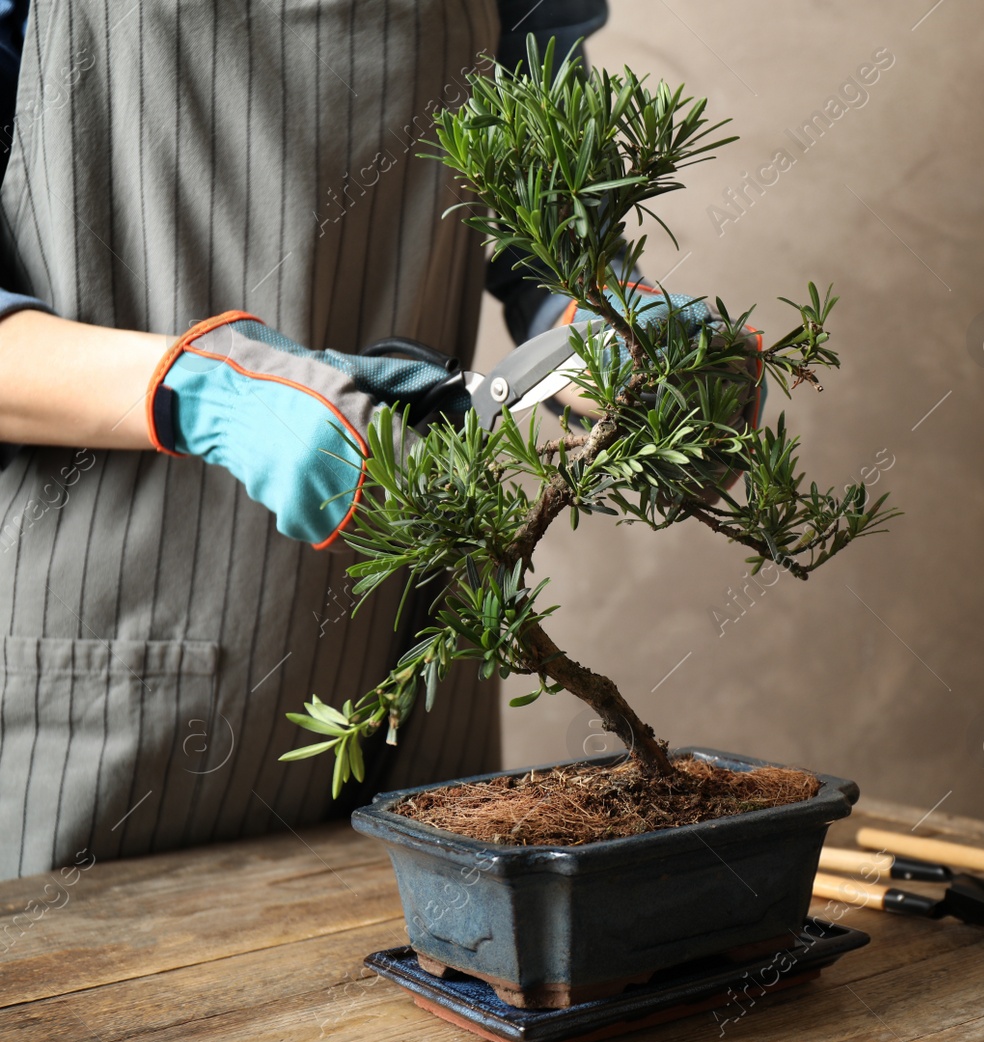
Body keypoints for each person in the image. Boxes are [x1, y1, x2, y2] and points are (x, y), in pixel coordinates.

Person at [0, 1, 618, 880]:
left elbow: (548, 212)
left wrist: (610, 328)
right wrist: (206, 388)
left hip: (423, 646)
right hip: (113, 670)